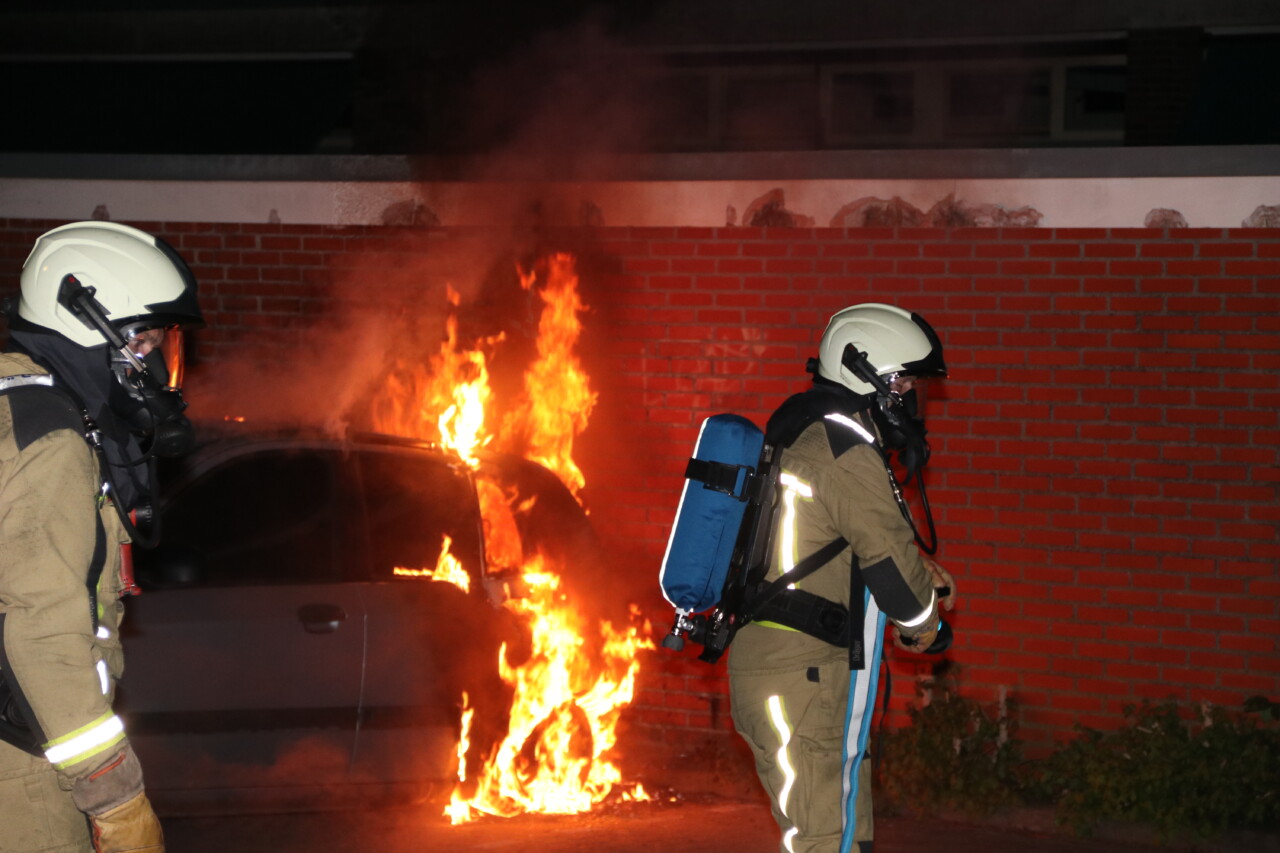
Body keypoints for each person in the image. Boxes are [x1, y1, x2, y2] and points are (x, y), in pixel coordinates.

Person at [0, 221, 203, 853]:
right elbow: (43, 638)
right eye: (147, 341)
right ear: (96, 330)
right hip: (25, 769)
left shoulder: (18, 406)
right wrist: (117, 801)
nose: (159, 364)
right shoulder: (52, 445)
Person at [728, 303, 957, 853]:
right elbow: (892, 569)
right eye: (904, 381)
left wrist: (920, 576)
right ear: (869, 376)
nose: (911, 396)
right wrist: (927, 627)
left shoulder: (808, 433)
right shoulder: (844, 451)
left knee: (843, 835)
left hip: (795, 671)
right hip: (806, 676)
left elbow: (837, 542)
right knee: (825, 841)